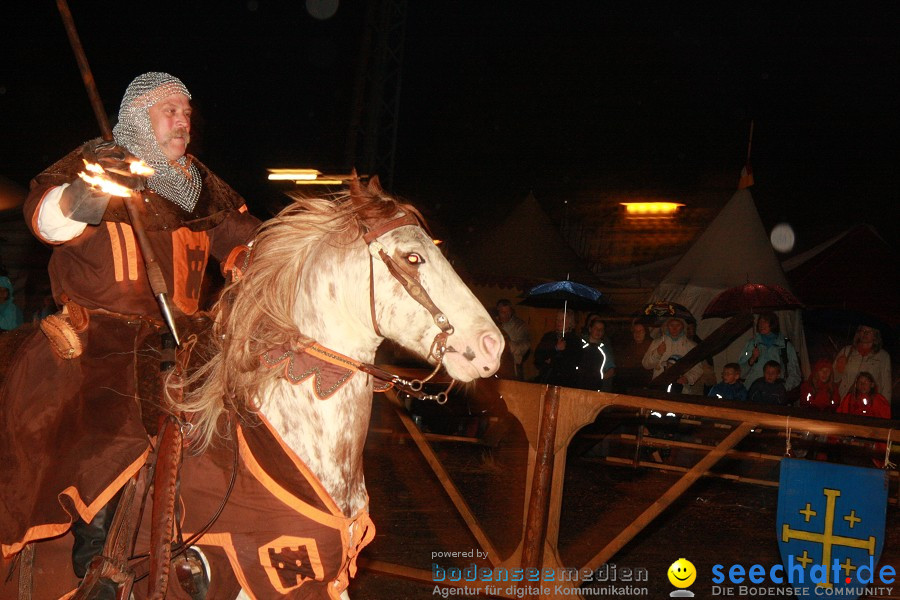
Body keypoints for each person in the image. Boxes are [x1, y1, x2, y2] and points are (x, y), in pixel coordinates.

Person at [0, 72, 260, 585]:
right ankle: (98, 561)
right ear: (138, 120)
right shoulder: (93, 167)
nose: (182, 121)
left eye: (186, 112)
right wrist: (92, 188)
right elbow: (50, 223)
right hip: (99, 336)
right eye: (169, 111)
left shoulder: (198, 189)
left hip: (185, 338)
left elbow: (250, 247)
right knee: (109, 425)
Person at [738, 312, 801, 391]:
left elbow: (795, 373)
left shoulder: (785, 346)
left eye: (765, 322)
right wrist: (752, 359)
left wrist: (783, 389)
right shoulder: (752, 344)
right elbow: (739, 373)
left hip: (774, 396)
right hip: (753, 394)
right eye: (760, 322)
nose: (761, 325)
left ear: (773, 324)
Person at [641, 316, 703, 392]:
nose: (674, 328)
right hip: (659, 387)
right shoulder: (657, 343)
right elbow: (646, 365)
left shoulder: (691, 346)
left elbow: (698, 369)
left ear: (683, 326)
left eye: (678, 325)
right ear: (667, 326)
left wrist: (687, 378)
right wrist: (657, 353)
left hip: (681, 389)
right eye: (671, 325)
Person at [833, 324, 892, 403]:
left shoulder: (883, 356)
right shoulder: (846, 351)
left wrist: (884, 407)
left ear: (875, 335)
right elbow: (833, 378)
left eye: (869, 331)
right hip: (845, 402)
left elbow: (886, 385)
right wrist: (838, 369)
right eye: (863, 330)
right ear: (858, 333)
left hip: (870, 405)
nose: (865, 333)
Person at [533, 309, 580, 386]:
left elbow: (574, 361)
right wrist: (555, 348)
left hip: (566, 382)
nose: (559, 322)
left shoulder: (575, 340)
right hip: (547, 379)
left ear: (570, 323)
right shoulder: (548, 337)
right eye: (557, 319)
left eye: (562, 320)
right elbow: (538, 357)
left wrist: (553, 359)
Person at [575, 317, 616, 392]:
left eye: (601, 329)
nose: (598, 331)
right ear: (590, 329)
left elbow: (611, 370)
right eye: (596, 328)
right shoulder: (579, 344)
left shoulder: (604, 350)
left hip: (595, 389)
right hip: (577, 386)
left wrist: (598, 378)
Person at [495, 299, 531, 380]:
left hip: (512, 367)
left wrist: (508, 346)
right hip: (494, 366)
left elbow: (526, 345)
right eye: (502, 312)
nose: (506, 315)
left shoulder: (520, 326)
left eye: (508, 312)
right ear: (498, 310)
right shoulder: (493, 323)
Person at [615, 320, 653, 392]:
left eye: (640, 331)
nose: (637, 333)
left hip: (644, 387)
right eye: (635, 331)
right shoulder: (627, 346)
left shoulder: (652, 346)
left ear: (645, 332)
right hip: (627, 386)